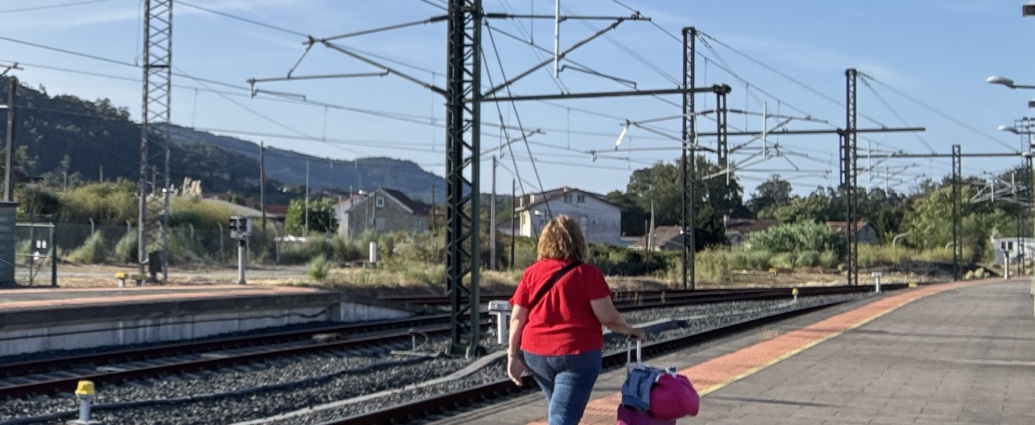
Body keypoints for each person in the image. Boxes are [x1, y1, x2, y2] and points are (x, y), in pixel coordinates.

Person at [507, 214, 645, 425]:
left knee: (559, 410)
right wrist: (631, 330)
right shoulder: (588, 274)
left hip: (535, 355)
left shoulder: (531, 273)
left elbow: (517, 317)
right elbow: (608, 318)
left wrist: (512, 356)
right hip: (576, 356)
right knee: (563, 416)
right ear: (578, 241)